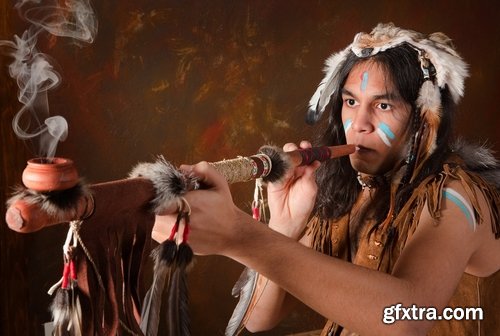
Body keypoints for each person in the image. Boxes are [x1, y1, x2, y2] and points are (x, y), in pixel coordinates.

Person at [153, 23, 500, 335]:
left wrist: (241, 235)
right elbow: (258, 318)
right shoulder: (351, 191)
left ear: (423, 119)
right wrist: (285, 224)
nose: (359, 122)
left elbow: (406, 318)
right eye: (351, 101)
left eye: (382, 106)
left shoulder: (455, 197)